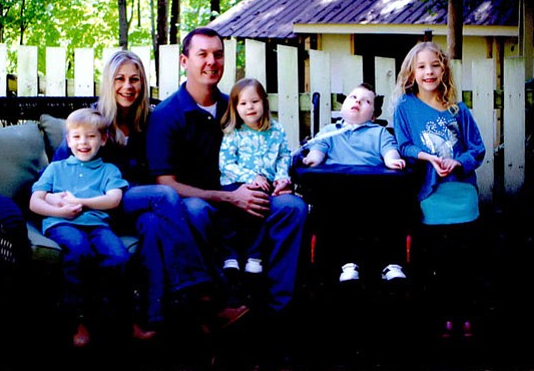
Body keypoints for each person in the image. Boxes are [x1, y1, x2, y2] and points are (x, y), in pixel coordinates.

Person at [145, 27, 308, 349]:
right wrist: (229, 196)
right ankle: (217, 305)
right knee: (196, 212)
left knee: (292, 208)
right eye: (202, 54)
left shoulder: (234, 104)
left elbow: (271, 145)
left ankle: (277, 310)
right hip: (201, 200)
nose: (211, 61)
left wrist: (280, 180)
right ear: (184, 61)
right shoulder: (168, 115)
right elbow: (165, 183)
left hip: (246, 190)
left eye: (217, 54)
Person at [49, 50, 218, 338]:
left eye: (135, 80)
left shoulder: (149, 121)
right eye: (120, 79)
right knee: (164, 195)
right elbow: (60, 167)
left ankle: (152, 316)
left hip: (131, 211)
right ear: (109, 83)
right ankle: (195, 283)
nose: (128, 86)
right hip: (100, 205)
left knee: (153, 225)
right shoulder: (93, 121)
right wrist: (58, 201)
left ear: (143, 84)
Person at [391, 41, 486, 340]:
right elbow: (404, 145)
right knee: (437, 262)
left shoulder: (459, 110)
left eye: (434, 65)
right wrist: (429, 157)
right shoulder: (405, 108)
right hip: (430, 195)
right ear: (411, 73)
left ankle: (465, 314)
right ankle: (442, 315)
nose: (428, 71)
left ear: (444, 68)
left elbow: (478, 150)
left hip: (461, 193)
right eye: (421, 67)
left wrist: (457, 162)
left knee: (465, 262)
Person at [30, 107, 130, 348]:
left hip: (97, 225)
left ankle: (113, 316)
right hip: (62, 223)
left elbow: (114, 199)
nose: (83, 142)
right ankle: (78, 320)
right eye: (76, 136)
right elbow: (35, 201)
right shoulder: (57, 168)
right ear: (68, 140)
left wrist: (82, 202)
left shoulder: (109, 170)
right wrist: (60, 211)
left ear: (103, 139)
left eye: (91, 136)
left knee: (119, 257)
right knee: (78, 250)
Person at [301, 82, 408, 284]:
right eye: (353, 97)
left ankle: (390, 263)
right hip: (338, 191)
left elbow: (389, 151)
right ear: (342, 107)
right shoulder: (330, 131)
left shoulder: (379, 133)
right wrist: (312, 158)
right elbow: (318, 149)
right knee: (334, 214)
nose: (357, 101)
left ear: (373, 115)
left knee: (391, 211)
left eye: (366, 101)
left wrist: (392, 159)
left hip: (373, 192)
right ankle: (348, 263)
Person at [218, 77, 293, 306]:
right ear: (235, 107)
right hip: (236, 183)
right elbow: (225, 164)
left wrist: (282, 177)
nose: (250, 107)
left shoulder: (276, 129)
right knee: (232, 216)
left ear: (264, 103)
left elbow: (284, 156)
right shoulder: (234, 132)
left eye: (255, 101)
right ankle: (231, 257)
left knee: (260, 208)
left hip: (266, 186)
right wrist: (250, 178)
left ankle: (254, 257)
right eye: (243, 103)